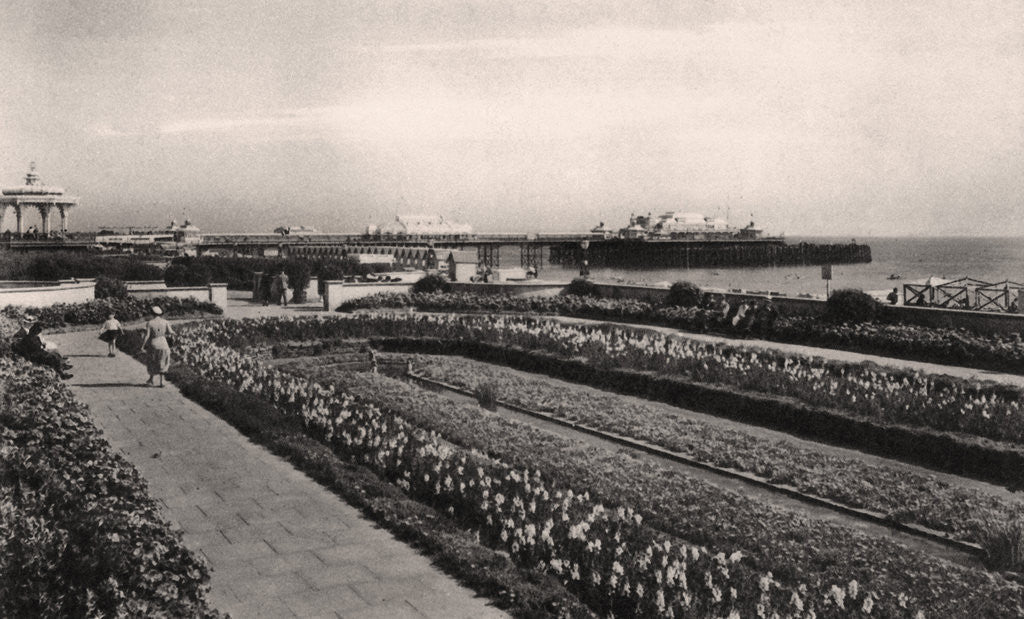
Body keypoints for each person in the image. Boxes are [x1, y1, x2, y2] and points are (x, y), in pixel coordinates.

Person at [138, 306, 174, 387]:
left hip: (153, 344)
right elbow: (171, 332)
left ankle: (151, 380)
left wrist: (142, 346)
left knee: (152, 361)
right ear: (160, 314)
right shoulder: (165, 322)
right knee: (162, 361)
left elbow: (147, 336)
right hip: (163, 344)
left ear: (152, 313)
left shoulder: (150, 323)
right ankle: (162, 382)